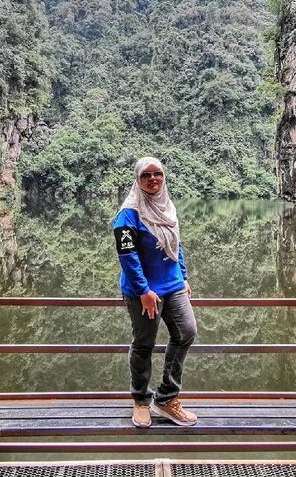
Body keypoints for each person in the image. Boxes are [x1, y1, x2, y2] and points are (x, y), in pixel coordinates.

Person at [112, 156, 198, 428]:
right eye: (146, 175)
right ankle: (140, 400)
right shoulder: (128, 215)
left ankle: (167, 398)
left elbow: (176, 243)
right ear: (138, 180)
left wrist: (182, 275)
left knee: (186, 332)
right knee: (144, 343)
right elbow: (128, 256)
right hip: (144, 292)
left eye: (157, 174)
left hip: (172, 286)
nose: (153, 179)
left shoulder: (167, 206)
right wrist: (143, 291)